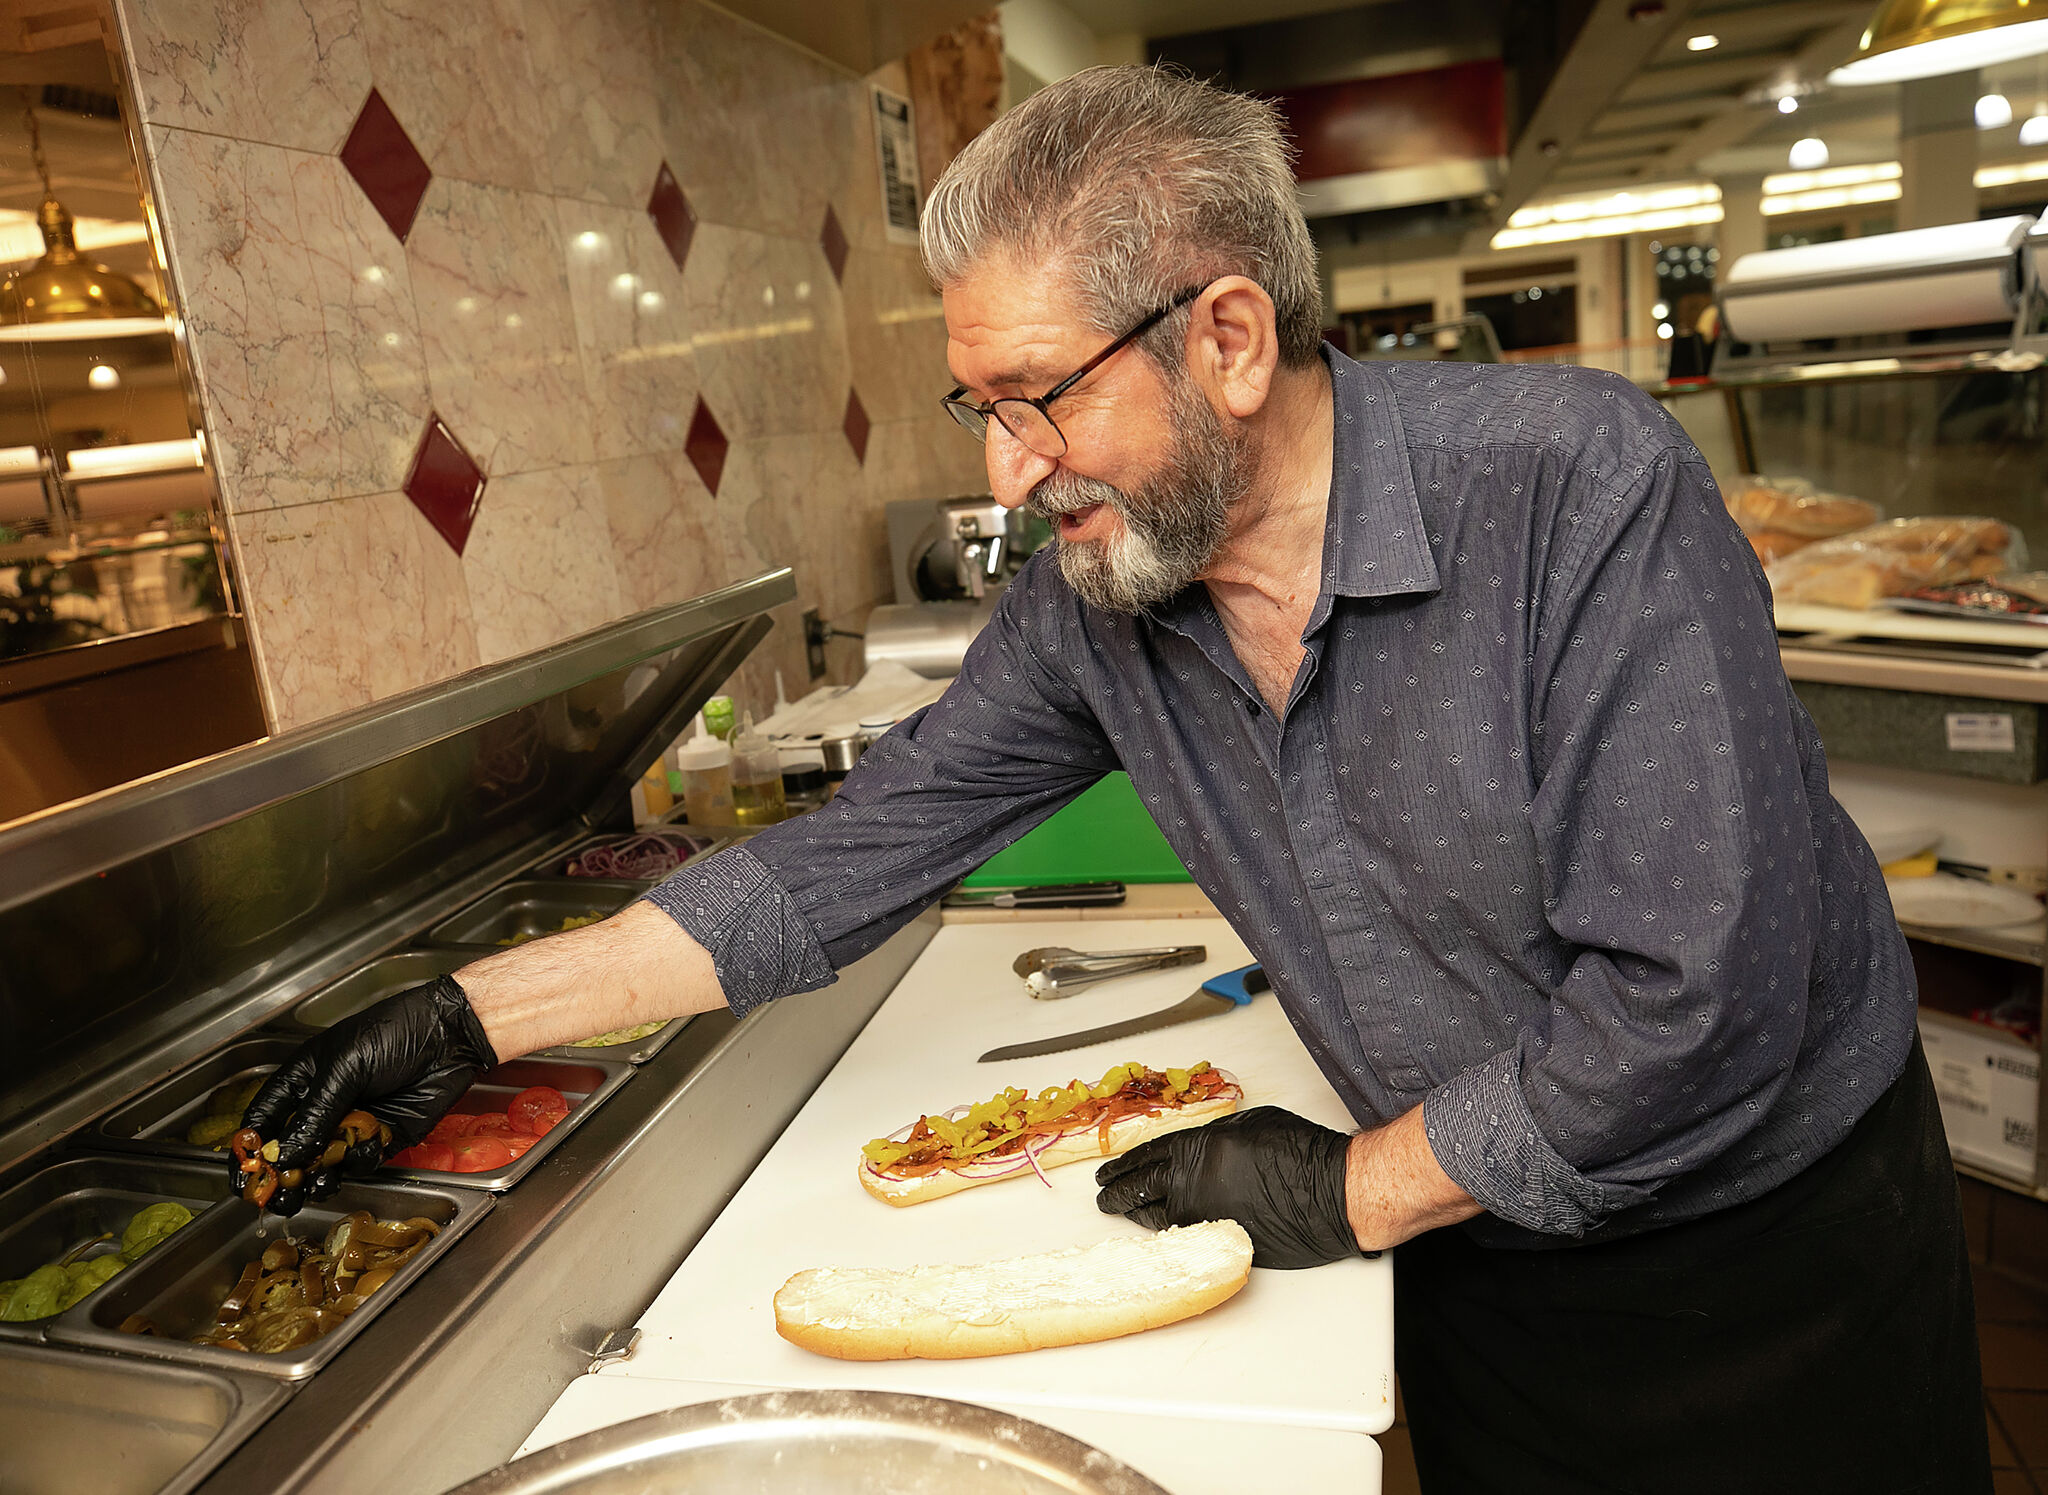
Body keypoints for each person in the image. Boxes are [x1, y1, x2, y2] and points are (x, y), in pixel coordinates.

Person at [244, 67, 1988, 1492]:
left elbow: (1699, 1004)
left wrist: (1341, 1190)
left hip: (1769, 1262)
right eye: (976, 409)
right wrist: (466, 1018)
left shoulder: (1574, 490)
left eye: (1037, 399)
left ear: (1227, 336)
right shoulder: (1100, 601)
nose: (1011, 470)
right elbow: (847, 859)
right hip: (1476, 1257)